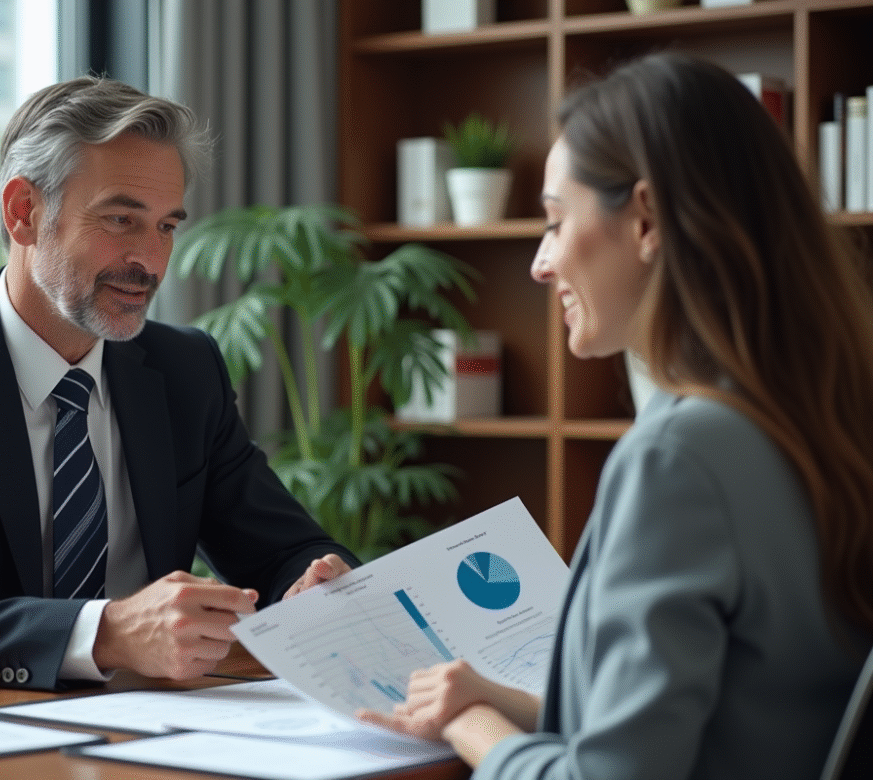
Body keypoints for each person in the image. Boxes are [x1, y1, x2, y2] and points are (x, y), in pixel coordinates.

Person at [358, 52, 873, 779]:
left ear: (646, 220)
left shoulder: (680, 458)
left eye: (557, 221)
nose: (540, 263)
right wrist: (501, 703)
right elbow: (736, 714)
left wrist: (471, 726)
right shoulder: (819, 420)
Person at [0, 75, 356, 692]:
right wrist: (105, 632)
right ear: (23, 213)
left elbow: (280, 553)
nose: (150, 261)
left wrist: (315, 586)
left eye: (166, 226)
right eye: (120, 220)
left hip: (121, 729)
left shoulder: (185, 373)